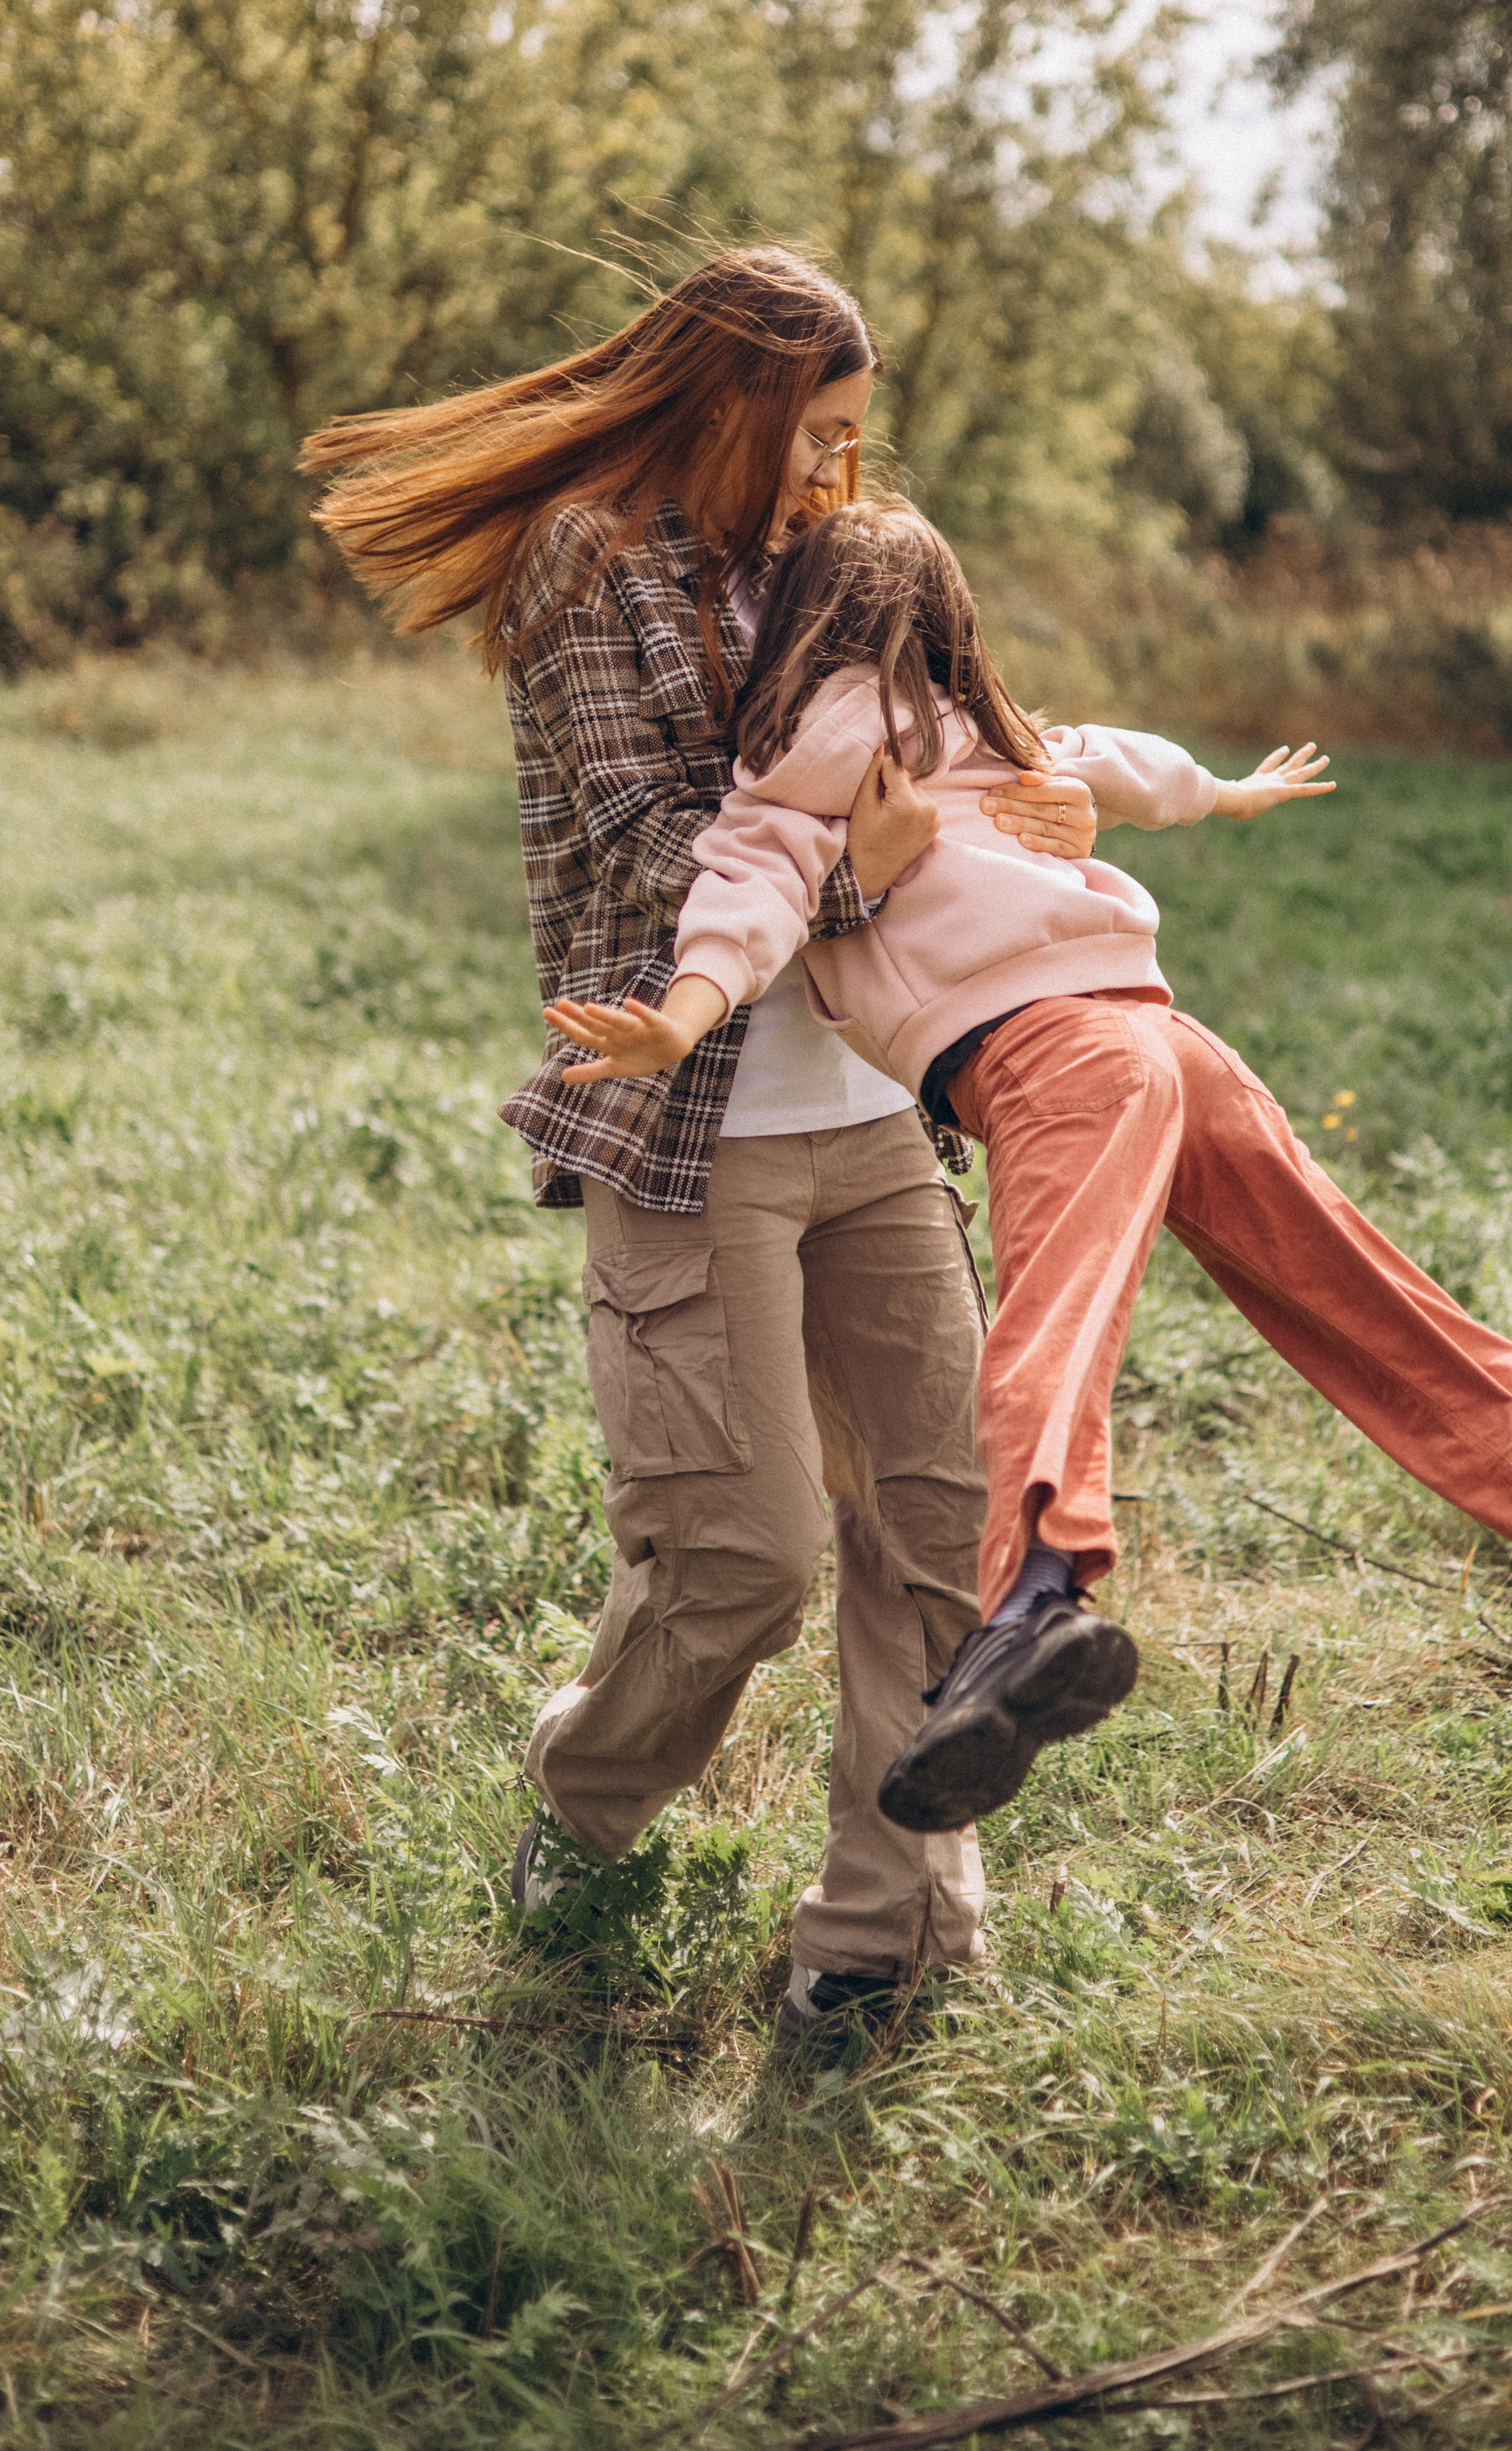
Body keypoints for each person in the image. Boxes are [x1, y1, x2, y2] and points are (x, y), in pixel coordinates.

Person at [545, 498, 1512, 1836]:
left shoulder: (808, 769)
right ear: (945, 620)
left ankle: (1033, 1598)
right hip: (1168, 1041)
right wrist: (1228, 791)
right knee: (1378, 1312)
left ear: (796, 629)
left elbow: (745, 902)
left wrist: (677, 1020)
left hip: (1052, 1061)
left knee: (1054, 1323)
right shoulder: (994, 731)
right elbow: (1125, 766)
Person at [299, 247, 1100, 2057]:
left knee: (938, 1528)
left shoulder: (839, 555)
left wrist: (1018, 802)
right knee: (737, 1557)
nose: (835, 467)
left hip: (874, 1118)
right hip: (688, 1131)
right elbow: (650, 837)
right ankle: (582, 1811)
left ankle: (882, 1936)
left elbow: (940, 762)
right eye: (812, 430)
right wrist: (862, 877)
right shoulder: (586, 559)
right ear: (727, 403)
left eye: (851, 436)